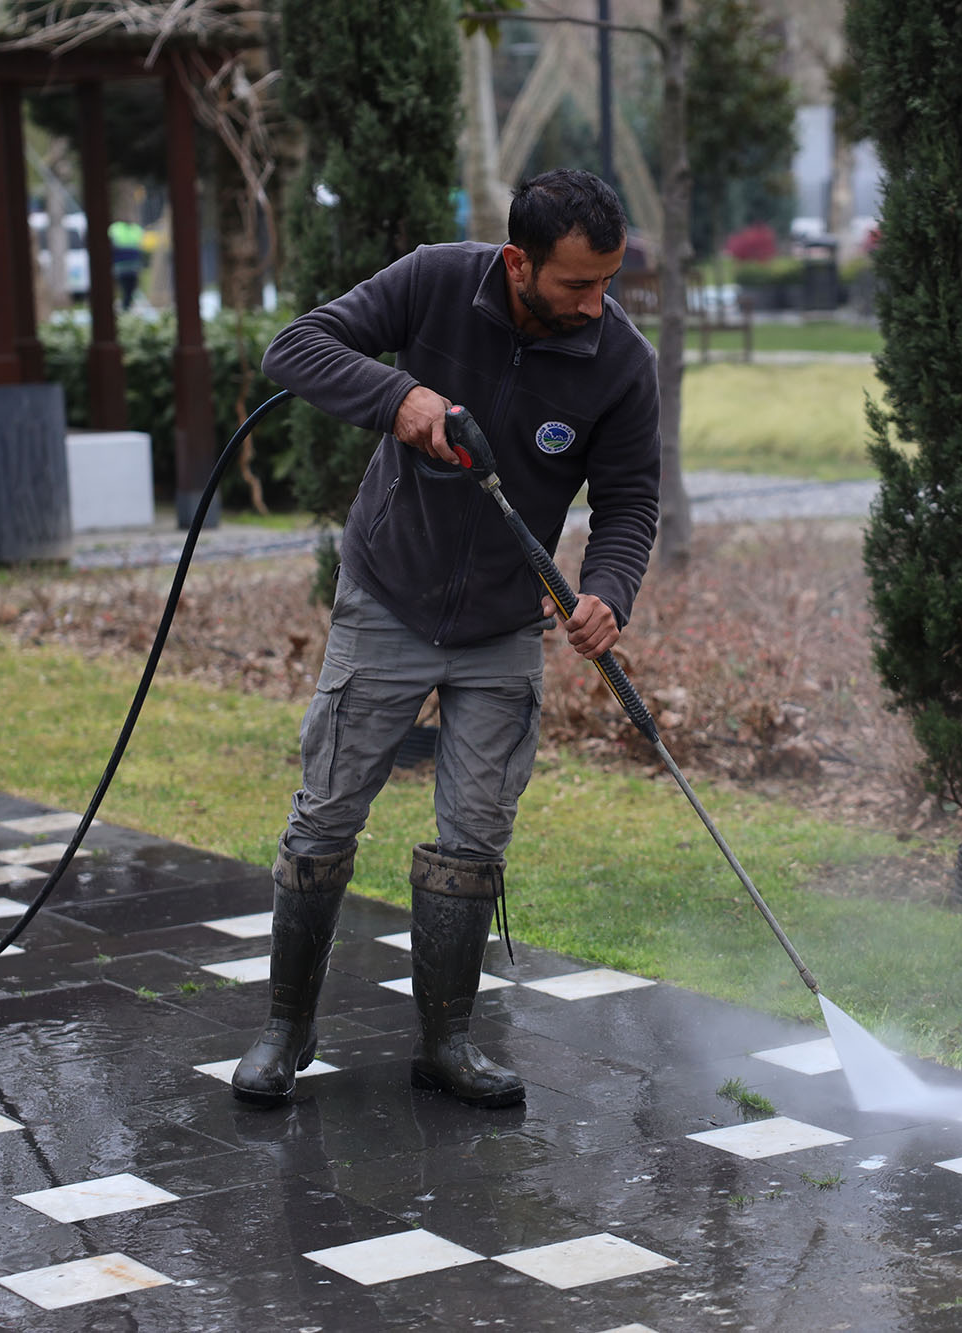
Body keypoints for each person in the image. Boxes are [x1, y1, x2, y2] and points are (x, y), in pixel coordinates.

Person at [233, 168, 660, 1110]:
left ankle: (448, 1043)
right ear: (518, 262)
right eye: (577, 284)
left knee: (475, 834)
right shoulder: (435, 280)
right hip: (388, 595)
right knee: (326, 813)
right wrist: (401, 398)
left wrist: (608, 592)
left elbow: (630, 501)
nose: (596, 304)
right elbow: (295, 347)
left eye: (607, 281)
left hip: (504, 622)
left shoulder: (620, 360)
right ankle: (285, 1028)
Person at [109, 220, 145, 309]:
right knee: (124, 286)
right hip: (121, 264)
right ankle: (125, 305)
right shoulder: (115, 228)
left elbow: (139, 245)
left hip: (133, 263)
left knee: (131, 286)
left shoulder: (136, 229)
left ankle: (126, 305)